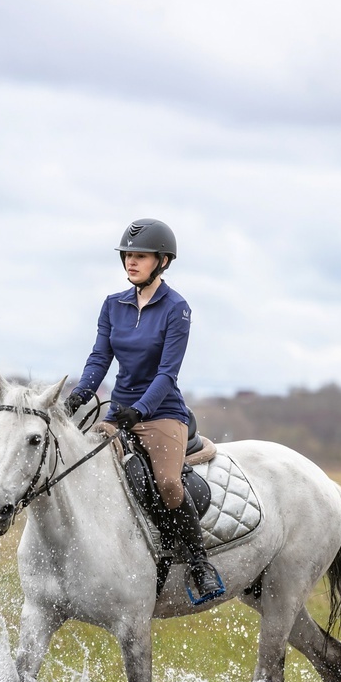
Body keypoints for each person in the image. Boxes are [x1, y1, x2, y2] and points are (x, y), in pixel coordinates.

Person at [65, 218, 225, 604]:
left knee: (168, 484)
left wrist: (138, 411)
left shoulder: (177, 309)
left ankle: (199, 562)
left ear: (163, 261)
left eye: (140, 256)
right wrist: (77, 396)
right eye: (128, 256)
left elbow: (168, 373)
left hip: (162, 412)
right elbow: (99, 358)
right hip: (118, 411)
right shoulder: (112, 305)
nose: (131, 262)